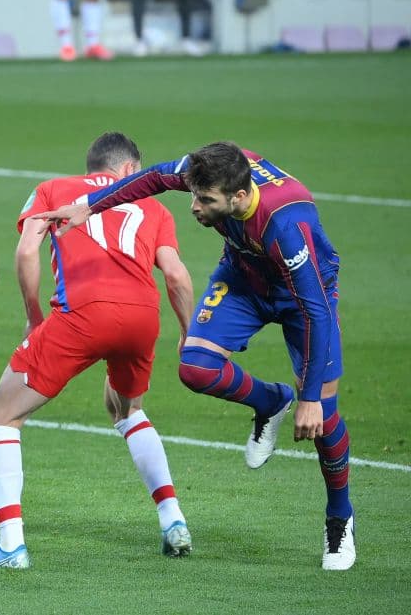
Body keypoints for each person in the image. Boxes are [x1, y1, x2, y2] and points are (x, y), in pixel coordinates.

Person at [32, 142, 355, 570]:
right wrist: (89, 207)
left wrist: (310, 397)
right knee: (196, 367)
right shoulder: (208, 169)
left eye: (205, 201)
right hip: (243, 277)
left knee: (324, 415)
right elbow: (149, 180)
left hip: (303, 297)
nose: (193, 207)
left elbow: (314, 309)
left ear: (239, 198)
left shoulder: (286, 224)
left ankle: (340, 518)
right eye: (193, 194)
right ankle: (270, 402)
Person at [0, 132, 194, 568]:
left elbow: (28, 249)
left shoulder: (54, 189)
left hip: (82, 316)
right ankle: (172, 518)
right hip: (143, 317)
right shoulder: (155, 206)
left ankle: (11, 545)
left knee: (1, 415)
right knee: (127, 410)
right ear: (129, 170)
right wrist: (186, 333)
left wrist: (34, 317)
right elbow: (177, 276)